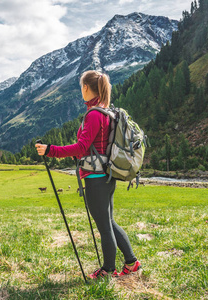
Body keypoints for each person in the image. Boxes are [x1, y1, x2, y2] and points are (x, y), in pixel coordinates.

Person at [35, 70, 141, 279]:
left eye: (80, 87)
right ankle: (131, 263)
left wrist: (50, 150)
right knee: (108, 222)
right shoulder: (106, 112)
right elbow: (95, 147)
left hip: (95, 178)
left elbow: (81, 147)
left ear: (85, 88)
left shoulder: (93, 115)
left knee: (104, 225)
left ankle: (108, 270)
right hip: (107, 175)